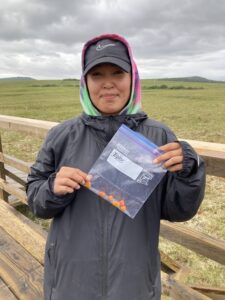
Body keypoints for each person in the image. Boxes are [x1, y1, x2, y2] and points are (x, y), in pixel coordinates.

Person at [26, 33, 205, 300]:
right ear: (84, 81)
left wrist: (190, 172)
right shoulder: (61, 135)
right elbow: (36, 201)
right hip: (70, 284)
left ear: (132, 78)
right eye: (97, 74)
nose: (108, 84)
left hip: (134, 286)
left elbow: (178, 210)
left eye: (118, 73)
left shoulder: (159, 137)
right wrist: (51, 188)